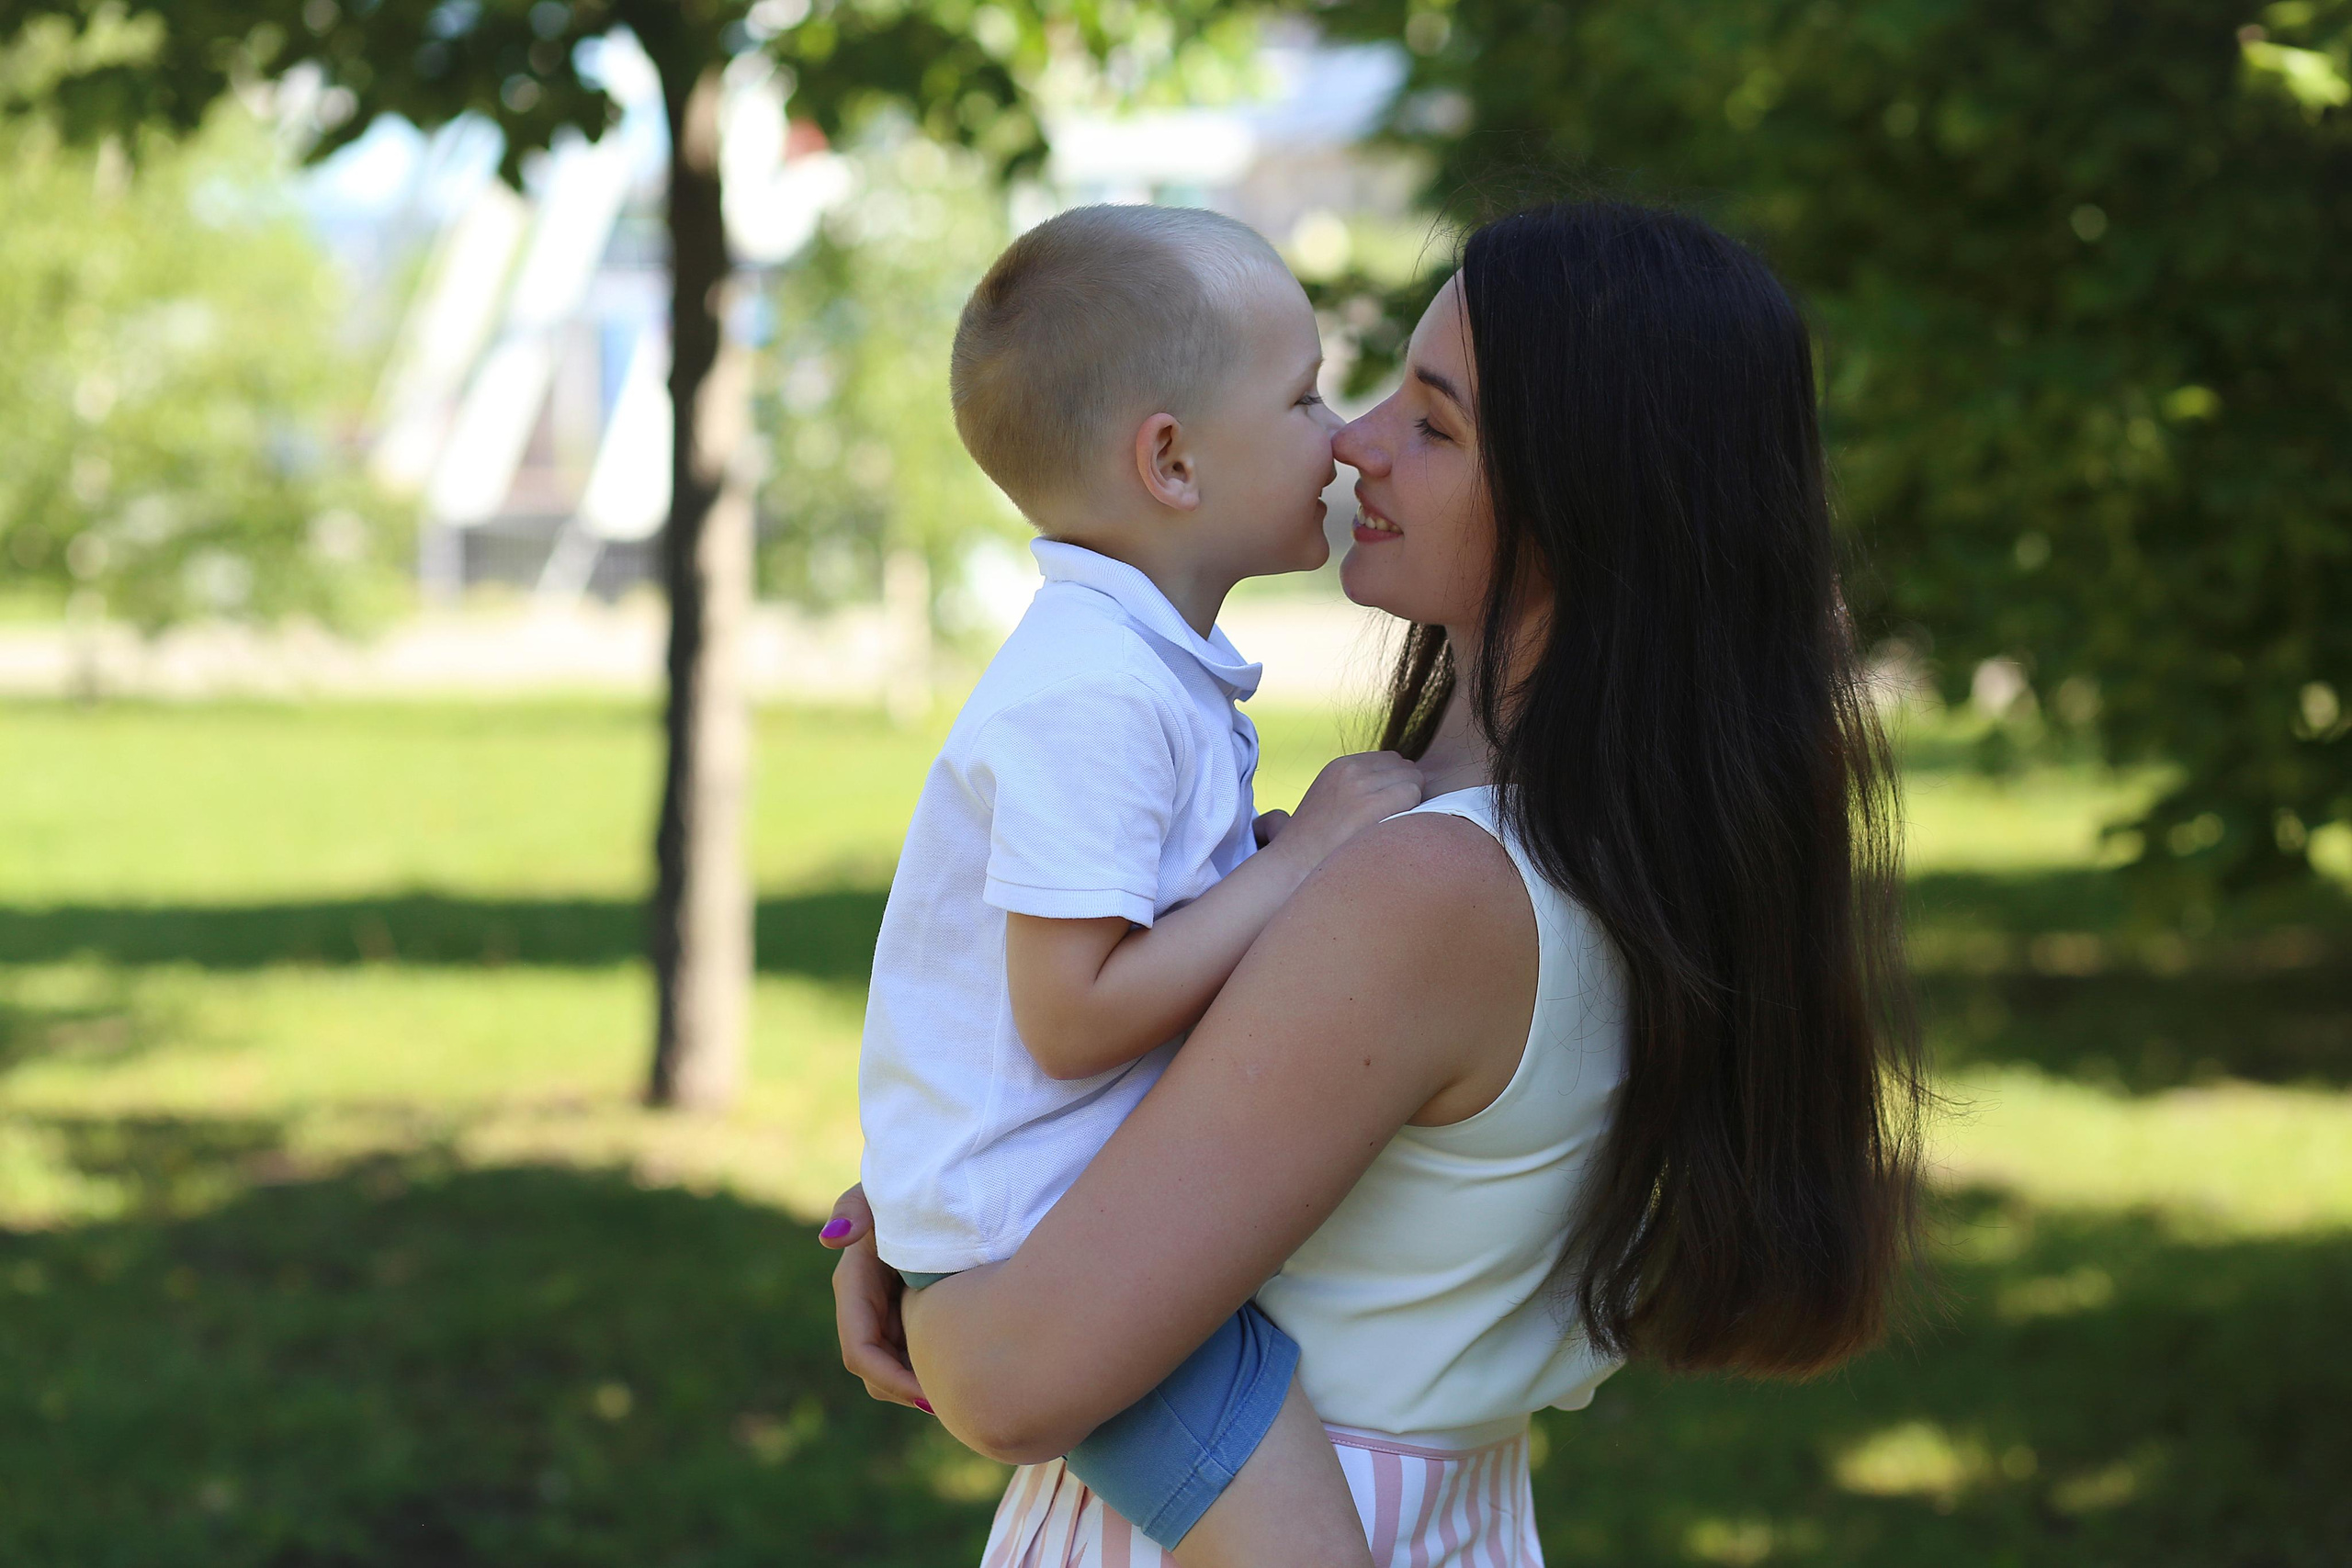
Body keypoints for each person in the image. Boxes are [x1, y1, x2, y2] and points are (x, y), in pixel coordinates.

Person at [829, 199, 1926, 1565]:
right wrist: (957, 1189)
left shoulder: (1430, 888)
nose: (1355, 442)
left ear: (1588, 504)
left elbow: (1012, 1379)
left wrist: (937, 1273)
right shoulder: (1607, 849)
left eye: (1434, 424)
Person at [852, 201, 1419, 1567]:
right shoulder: (1095, 693)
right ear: (1170, 460)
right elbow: (1073, 1014)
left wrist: (1259, 876)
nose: (1343, 436)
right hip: (1045, 1257)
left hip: (1063, 1224)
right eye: (1303, 398)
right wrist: (1306, 866)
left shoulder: (1132, 666)